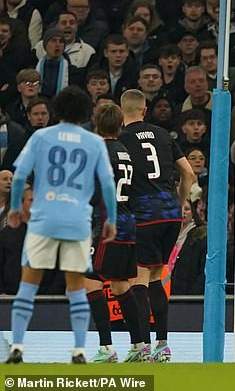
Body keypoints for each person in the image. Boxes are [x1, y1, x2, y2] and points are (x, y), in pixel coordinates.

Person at [5, 86, 118, 364]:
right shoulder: (93, 142)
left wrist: (16, 208)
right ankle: (79, 350)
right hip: (77, 221)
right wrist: (112, 219)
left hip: (44, 219)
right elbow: (106, 183)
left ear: (56, 109)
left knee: (27, 285)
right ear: (84, 112)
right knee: (77, 288)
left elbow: (19, 176)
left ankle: (17, 346)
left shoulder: (41, 137)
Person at [119, 89, 196, 363]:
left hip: (144, 214)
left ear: (122, 112)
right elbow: (188, 172)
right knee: (155, 277)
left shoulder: (121, 139)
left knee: (138, 280)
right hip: (170, 214)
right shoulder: (163, 135)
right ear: (144, 110)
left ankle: (140, 346)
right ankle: (162, 346)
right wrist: (180, 199)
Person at [84, 103, 146, 363]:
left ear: (96, 124)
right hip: (127, 220)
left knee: (90, 281)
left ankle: (106, 348)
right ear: (121, 124)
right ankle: (140, 345)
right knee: (120, 285)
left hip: (105, 222)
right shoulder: (124, 151)